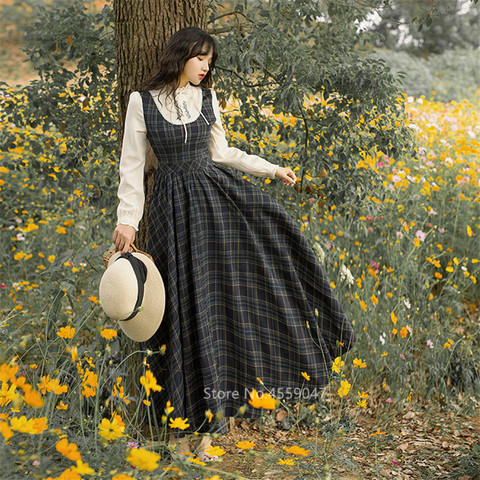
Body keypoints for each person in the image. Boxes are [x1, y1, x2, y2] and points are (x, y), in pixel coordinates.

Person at [112, 26, 356, 461]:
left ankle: (208, 429)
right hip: (171, 213)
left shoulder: (206, 100)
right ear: (181, 55)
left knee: (216, 304)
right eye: (200, 57)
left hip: (214, 208)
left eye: (210, 60)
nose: (206, 67)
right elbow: (132, 169)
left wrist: (272, 169)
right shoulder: (141, 102)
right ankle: (180, 431)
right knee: (180, 312)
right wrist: (127, 223)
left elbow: (223, 154)